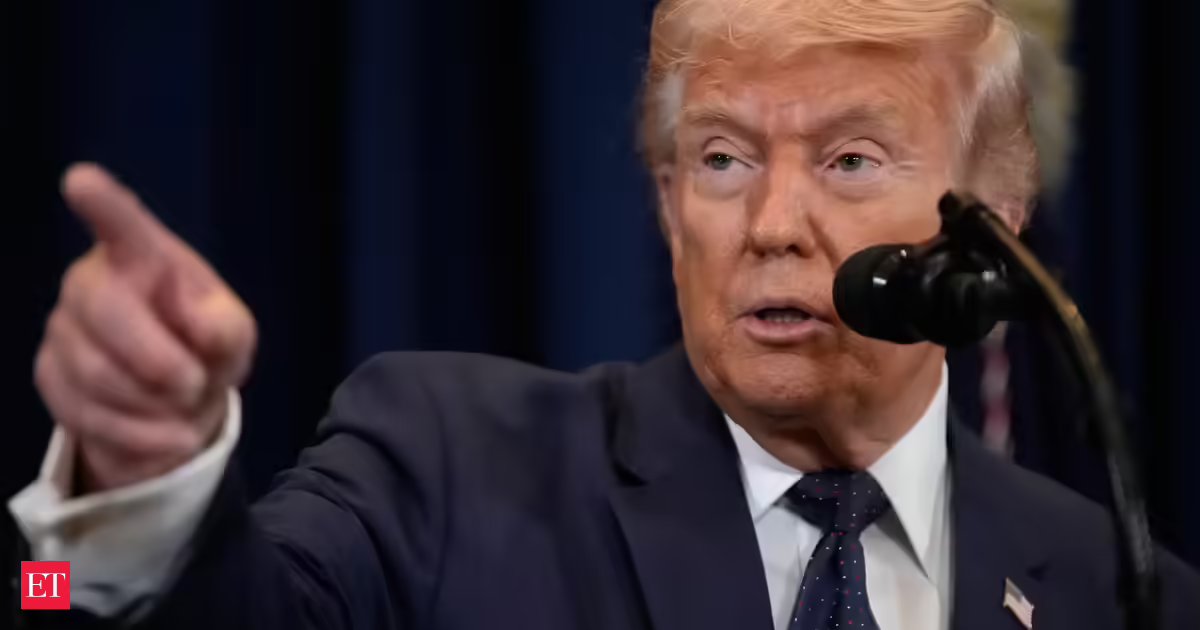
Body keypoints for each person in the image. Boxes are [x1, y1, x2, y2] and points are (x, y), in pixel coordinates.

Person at [10, 0, 1200, 628]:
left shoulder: (1124, 592)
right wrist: (143, 490)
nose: (772, 224)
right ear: (670, 204)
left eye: (849, 160)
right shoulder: (443, 467)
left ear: (991, 223)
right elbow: (166, 611)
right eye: (722, 159)